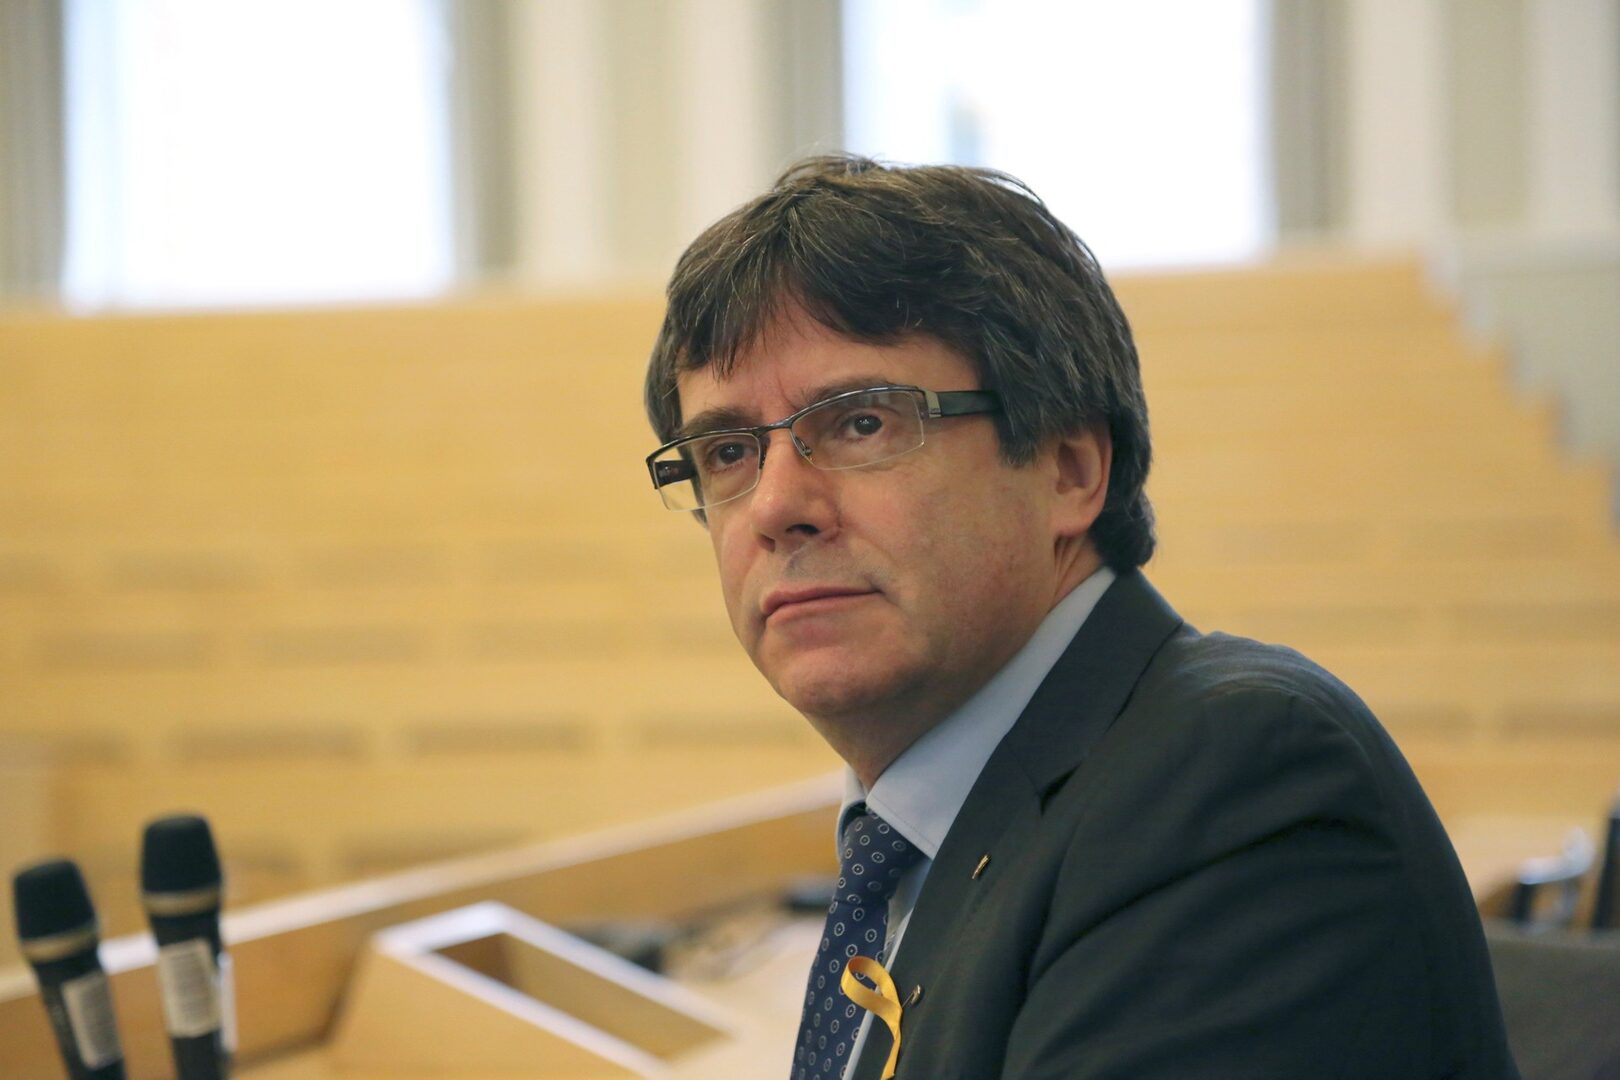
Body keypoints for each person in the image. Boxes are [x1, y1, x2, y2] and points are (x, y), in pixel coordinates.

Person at [641, 155, 1519, 1080]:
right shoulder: (917, 843)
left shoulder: (1231, 780)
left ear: (1069, 469)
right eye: (727, 451)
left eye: (862, 423)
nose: (776, 506)